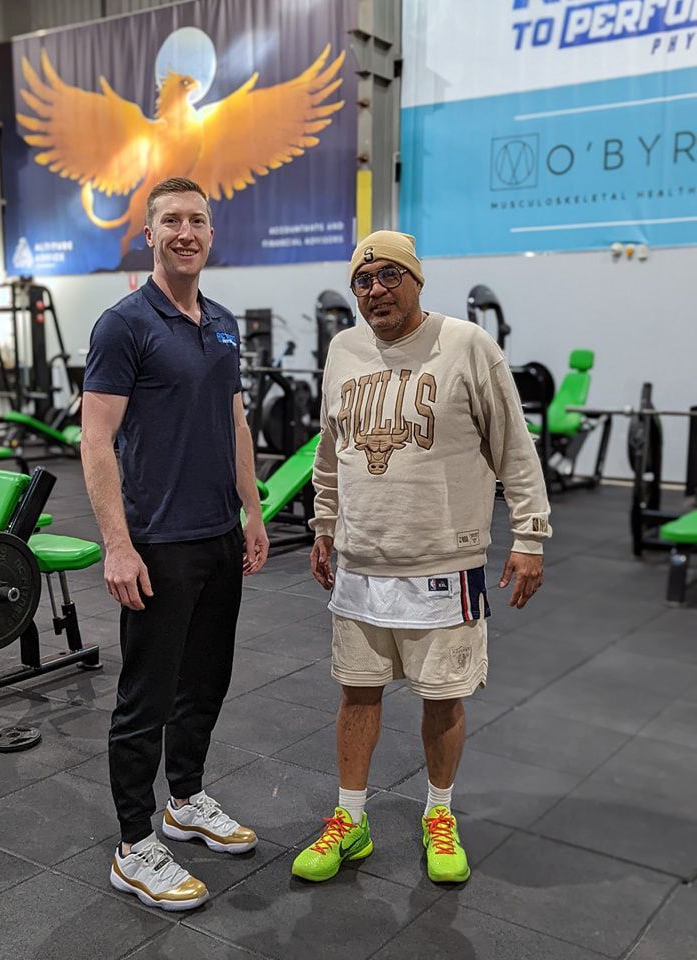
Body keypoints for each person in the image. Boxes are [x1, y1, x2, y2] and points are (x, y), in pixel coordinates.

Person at [291, 230, 550, 884]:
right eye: (363, 279)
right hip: (360, 562)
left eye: (388, 275)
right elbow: (329, 451)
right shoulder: (343, 349)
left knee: (443, 697)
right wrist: (323, 523)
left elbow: (514, 449)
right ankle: (351, 818)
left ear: (415, 278)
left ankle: (439, 813)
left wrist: (530, 535)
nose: (375, 289)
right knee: (357, 692)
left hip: (443, 563)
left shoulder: (467, 345)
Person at [81, 177, 269, 911]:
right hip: (158, 541)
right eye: (171, 221)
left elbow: (235, 423)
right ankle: (133, 845)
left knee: (206, 683)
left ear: (211, 234)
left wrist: (252, 513)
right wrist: (116, 546)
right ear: (149, 235)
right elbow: (95, 440)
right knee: (145, 698)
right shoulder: (125, 323)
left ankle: (184, 799)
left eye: (197, 220)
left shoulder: (221, 323)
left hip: (220, 535)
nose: (185, 231)